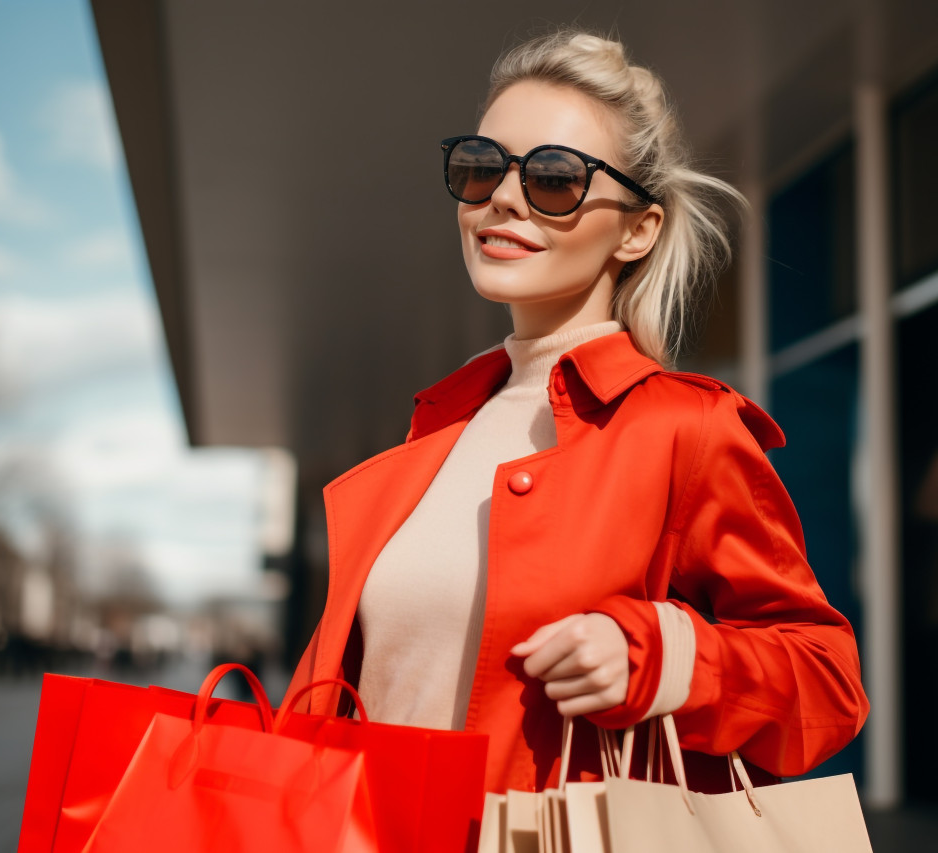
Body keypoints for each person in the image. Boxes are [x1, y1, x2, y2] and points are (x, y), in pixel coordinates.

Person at [286, 30, 868, 795]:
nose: (501, 197)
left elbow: (827, 680)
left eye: (554, 178)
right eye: (481, 166)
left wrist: (662, 656)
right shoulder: (441, 423)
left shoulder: (682, 429)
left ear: (637, 228)